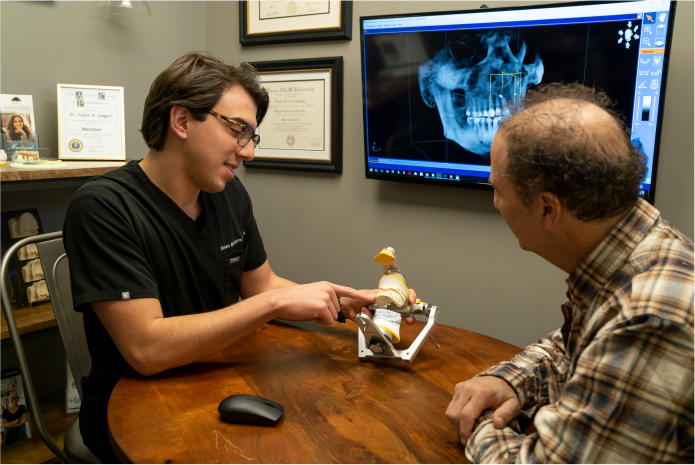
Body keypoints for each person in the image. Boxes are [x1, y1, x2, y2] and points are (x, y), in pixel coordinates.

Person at [63, 52, 390, 464]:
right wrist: (272, 304)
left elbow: (263, 284)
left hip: (216, 383)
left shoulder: (227, 194)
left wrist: (345, 303)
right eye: (239, 130)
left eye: (252, 136)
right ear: (181, 121)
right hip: (134, 413)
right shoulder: (103, 207)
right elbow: (146, 349)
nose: (248, 152)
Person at [445, 83, 695, 463]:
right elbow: (576, 346)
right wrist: (508, 380)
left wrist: (480, 422)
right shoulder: (639, 252)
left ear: (547, 208)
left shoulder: (649, 318)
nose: (496, 203)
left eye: (497, 189)